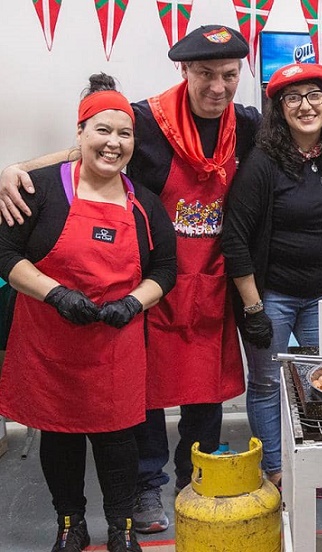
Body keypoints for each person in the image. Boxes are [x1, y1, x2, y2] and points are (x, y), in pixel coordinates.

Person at [0, 25, 260, 533]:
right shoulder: (145, 119)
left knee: (206, 398)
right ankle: (146, 488)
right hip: (152, 288)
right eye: (205, 74)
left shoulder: (245, 125)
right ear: (183, 71)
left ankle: (197, 478)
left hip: (209, 282)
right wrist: (16, 168)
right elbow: (92, 146)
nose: (218, 87)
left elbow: (304, 142)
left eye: (229, 76)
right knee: (146, 395)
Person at [0, 74, 176, 552]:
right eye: (102, 130)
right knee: (60, 436)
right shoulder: (37, 191)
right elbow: (6, 253)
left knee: (119, 439)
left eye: (124, 134)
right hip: (49, 342)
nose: (113, 143)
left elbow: (165, 268)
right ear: (80, 133)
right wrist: (56, 294)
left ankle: (120, 528)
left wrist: (132, 302)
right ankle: (69, 524)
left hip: (115, 344)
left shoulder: (146, 204)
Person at [220, 62, 322, 491]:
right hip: (272, 298)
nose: (305, 105)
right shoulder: (264, 163)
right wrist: (253, 306)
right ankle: (277, 469)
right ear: (279, 109)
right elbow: (235, 237)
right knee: (264, 383)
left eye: (314, 95)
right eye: (292, 98)